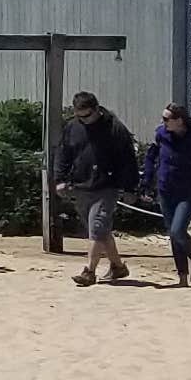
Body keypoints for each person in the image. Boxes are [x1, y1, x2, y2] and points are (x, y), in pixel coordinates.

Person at [62, 88, 140, 285]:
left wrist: (130, 188)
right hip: (81, 185)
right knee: (100, 231)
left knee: (97, 227)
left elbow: (128, 160)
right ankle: (118, 267)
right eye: (79, 116)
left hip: (107, 186)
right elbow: (63, 154)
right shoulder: (72, 127)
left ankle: (89, 271)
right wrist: (59, 179)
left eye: (87, 116)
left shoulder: (115, 128)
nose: (84, 120)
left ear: (96, 109)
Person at [145, 103, 191, 289]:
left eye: (166, 119)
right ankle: (182, 277)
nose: (162, 122)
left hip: (189, 192)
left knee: (178, 230)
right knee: (172, 233)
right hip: (166, 189)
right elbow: (151, 156)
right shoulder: (161, 135)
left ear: (179, 121)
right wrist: (146, 181)